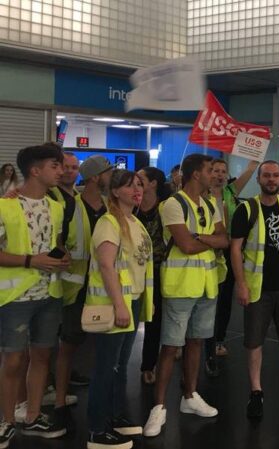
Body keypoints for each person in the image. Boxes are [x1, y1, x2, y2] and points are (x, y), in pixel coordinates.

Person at [143, 154, 229, 437]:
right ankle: (158, 407)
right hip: (180, 286)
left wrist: (200, 237)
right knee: (169, 347)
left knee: (196, 341)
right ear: (195, 174)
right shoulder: (172, 204)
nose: (215, 175)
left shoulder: (211, 203)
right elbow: (185, 245)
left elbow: (223, 239)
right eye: (209, 171)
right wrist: (206, 240)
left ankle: (190, 396)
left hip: (207, 285)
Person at [229, 161, 279, 420]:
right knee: (254, 342)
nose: (272, 179)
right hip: (258, 288)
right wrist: (240, 283)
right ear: (259, 178)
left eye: (276, 175)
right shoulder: (247, 209)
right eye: (267, 175)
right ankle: (256, 391)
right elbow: (235, 249)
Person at [0, 143, 69, 447]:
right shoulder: (5, 205)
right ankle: (6, 421)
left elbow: (55, 242)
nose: (61, 171)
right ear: (35, 170)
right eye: (55, 166)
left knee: (42, 356)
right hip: (16, 296)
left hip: (50, 292)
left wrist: (60, 257)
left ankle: (33, 415)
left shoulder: (57, 205)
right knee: (13, 361)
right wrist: (31, 261)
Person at [86, 170, 154, 449]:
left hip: (133, 300)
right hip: (114, 304)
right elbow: (106, 265)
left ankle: (115, 417)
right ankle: (96, 429)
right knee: (106, 367)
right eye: (128, 186)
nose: (136, 190)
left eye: (138, 184)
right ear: (114, 192)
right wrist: (118, 304)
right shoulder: (108, 222)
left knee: (119, 366)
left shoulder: (134, 221)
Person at [54, 154, 113, 415]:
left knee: (104, 348)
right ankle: (58, 399)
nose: (112, 177)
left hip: (104, 291)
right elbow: (55, 240)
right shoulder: (69, 207)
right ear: (95, 177)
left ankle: (103, 398)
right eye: (109, 172)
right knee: (68, 345)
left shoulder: (112, 208)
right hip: (76, 290)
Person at [204, 159, 259, 377]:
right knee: (207, 299)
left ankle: (218, 339)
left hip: (229, 250)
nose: (219, 175)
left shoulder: (230, 191)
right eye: (215, 171)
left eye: (223, 171)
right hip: (208, 249)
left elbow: (247, 173)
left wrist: (253, 164)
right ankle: (195, 341)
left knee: (225, 298)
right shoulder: (201, 195)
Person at [136, 167, 172, 385]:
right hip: (135, 270)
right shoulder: (132, 207)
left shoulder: (166, 208)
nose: (136, 182)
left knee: (155, 318)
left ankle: (149, 363)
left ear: (154, 183)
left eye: (141, 179)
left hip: (160, 269)